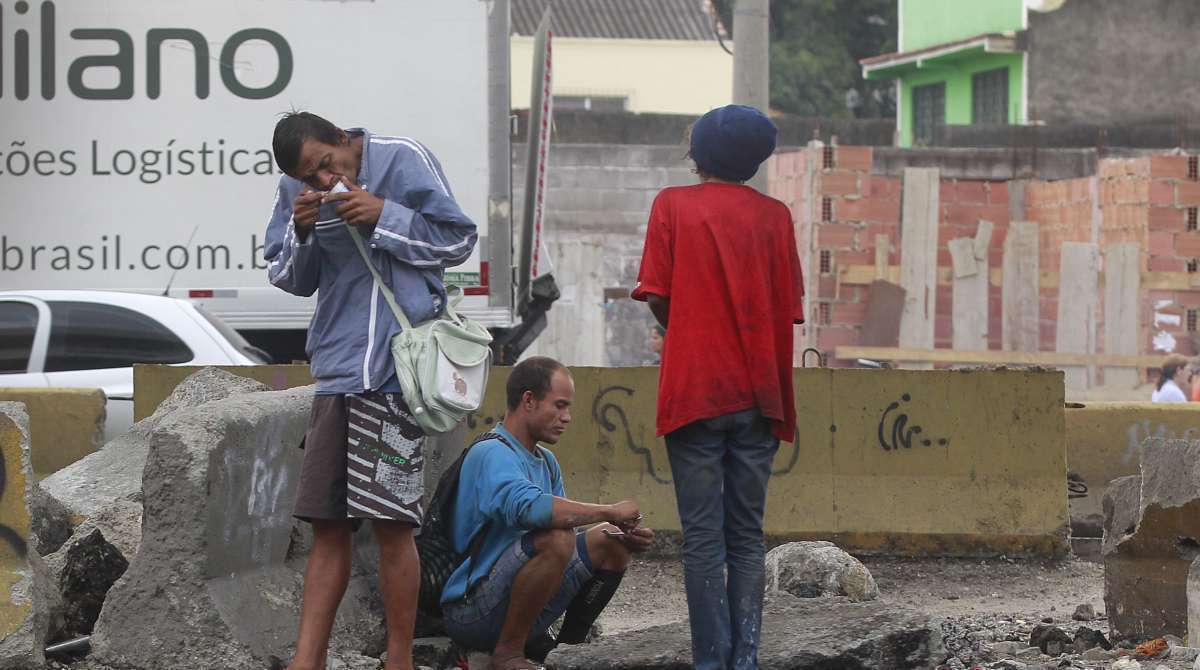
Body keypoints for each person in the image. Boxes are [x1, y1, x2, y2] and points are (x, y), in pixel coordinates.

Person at [263, 111, 477, 670]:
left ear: (342, 139)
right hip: (335, 372)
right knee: (327, 528)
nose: (321, 179)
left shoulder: (402, 157)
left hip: (394, 374)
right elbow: (288, 276)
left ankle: (398, 660)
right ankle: (305, 661)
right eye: (308, 176)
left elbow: (458, 243)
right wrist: (302, 230)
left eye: (325, 164)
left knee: (391, 525)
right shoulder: (296, 190)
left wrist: (385, 215)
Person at [631, 104, 805, 670]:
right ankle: (744, 660)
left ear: (698, 154)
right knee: (747, 538)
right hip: (760, 393)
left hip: (695, 392)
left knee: (704, 541)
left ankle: (712, 662)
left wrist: (688, 329)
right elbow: (788, 308)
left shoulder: (672, 206)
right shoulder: (775, 217)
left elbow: (656, 293)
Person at [441, 357, 653, 670]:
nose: (566, 417)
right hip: (472, 610)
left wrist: (623, 532)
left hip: (517, 603)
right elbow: (529, 509)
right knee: (557, 537)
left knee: (612, 540)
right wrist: (608, 509)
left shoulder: (546, 461)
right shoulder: (491, 452)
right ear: (528, 400)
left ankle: (568, 653)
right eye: (559, 405)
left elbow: (566, 539)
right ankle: (507, 655)